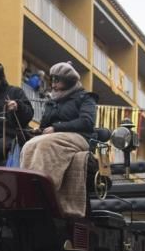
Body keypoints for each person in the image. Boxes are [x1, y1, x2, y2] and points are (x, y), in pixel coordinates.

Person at [20, 62, 96, 217]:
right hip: (55, 136)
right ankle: (28, 191)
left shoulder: (85, 98)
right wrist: (38, 131)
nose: (53, 84)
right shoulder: (52, 101)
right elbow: (45, 126)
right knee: (29, 145)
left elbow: (87, 122)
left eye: (57, 80)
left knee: (46, 144)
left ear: (68, 82)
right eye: (52, 80)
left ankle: (45, 193)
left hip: (81, 138)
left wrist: (57, 128)